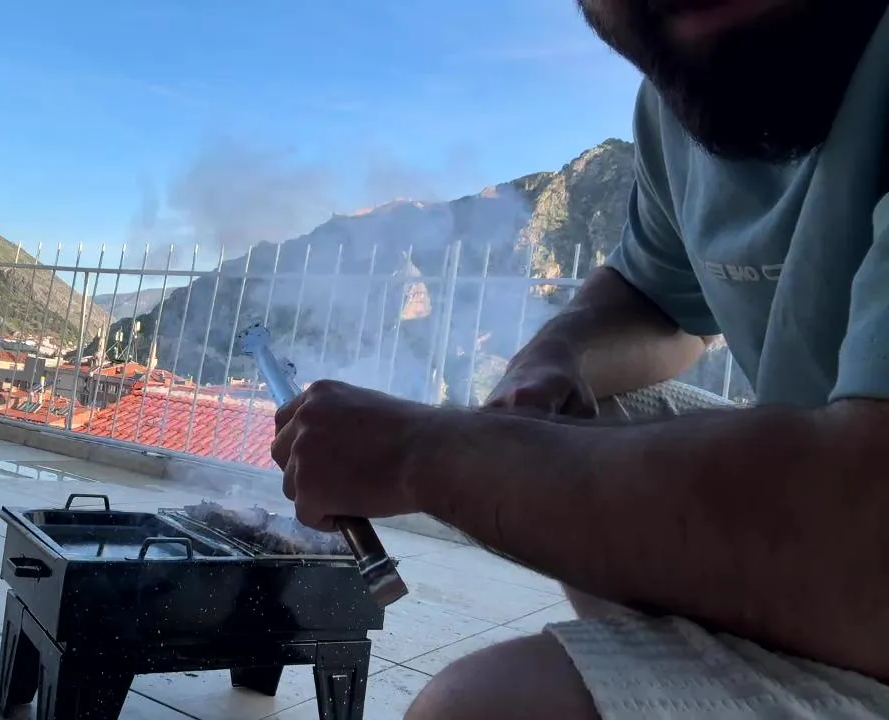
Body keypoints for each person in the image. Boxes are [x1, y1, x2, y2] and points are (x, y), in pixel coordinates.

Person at [271, 0, 889, 717]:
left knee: (485, 708)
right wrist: (551, 358)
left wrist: (422, 454)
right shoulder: (680, 95)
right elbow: (653, 299)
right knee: (586, 405)